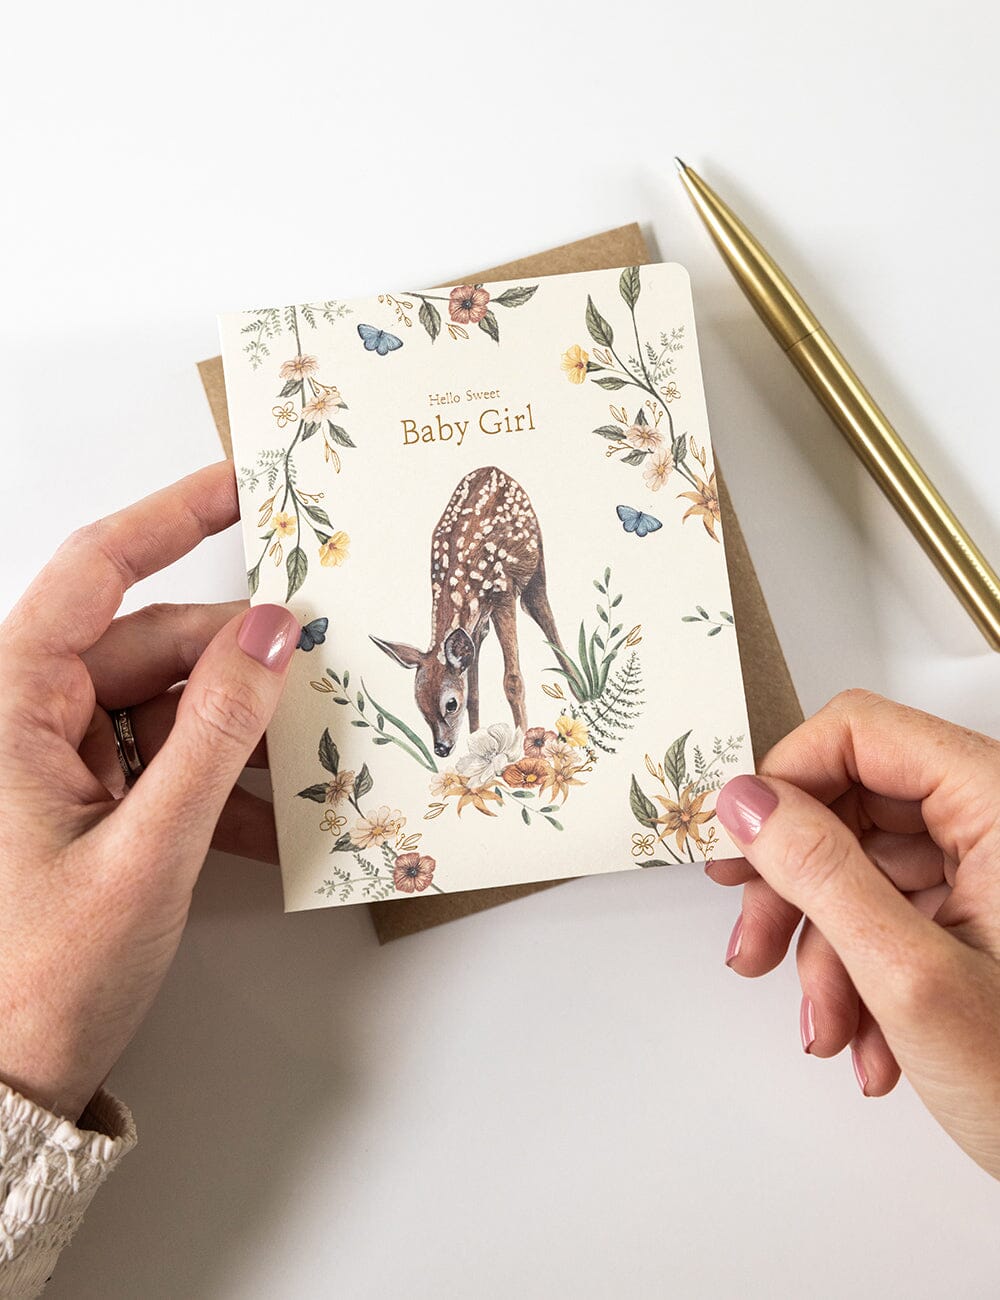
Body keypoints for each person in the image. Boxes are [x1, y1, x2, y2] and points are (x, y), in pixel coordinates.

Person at [0, 464, 997, 1296]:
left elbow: (498, 614)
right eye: (441, 716)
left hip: (505, 548)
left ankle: (531, 719)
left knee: (531, 624)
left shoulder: (478, 603)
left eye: (445, 714)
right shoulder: (439, 641)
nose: (442, 728)